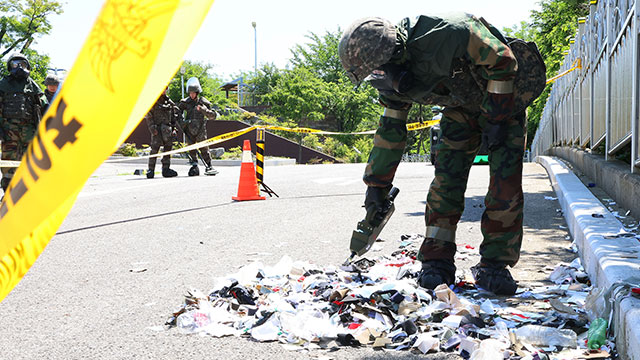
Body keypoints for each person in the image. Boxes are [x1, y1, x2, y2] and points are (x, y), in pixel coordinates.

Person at [339, 14, 544, 295]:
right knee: (446, 181)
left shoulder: (448, 33)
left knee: (504, 184)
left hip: (503, 97)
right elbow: (390, 131)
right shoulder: (388, 77)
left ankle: (495, 265)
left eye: (378, 70)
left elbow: (503, 60)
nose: (379, 78)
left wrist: (497, 119)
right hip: (459, 108)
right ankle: (437, 261)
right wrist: (377, 186)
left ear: (394, 54)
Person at [0, 53, 48, 193]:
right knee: (8, 164)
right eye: (15, 64)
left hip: (29, 132)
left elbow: (45, 106)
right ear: (10, 66)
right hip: (9, 133)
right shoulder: (3, 84)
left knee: (29, 163)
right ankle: (8, 194)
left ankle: (27, 193)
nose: (19, 68)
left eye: (23, 64)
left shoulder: (31, 85)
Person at [177, 77, 219, 176]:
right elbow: (177, 112)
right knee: (191, 148)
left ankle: (209, 166)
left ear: (197, 92)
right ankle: (194, 166)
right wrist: (182, 123)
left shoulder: (203, 102)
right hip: (189, 128)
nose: (191, 95)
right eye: (190, 93)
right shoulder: (185, 102)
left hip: (201, 129)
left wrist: (204, 110)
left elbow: (213, 116)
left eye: (193, 93)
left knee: (204, 148)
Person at [144, 87, 179, 178]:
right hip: (157, 130)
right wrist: (152, 128)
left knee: (168, 150)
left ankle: (166, 169)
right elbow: (149, 116)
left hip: (168, 131)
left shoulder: (169, 103)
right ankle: (151, 170)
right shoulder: (153, 102)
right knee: (154, 150)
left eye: (165, 89)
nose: (163, 91)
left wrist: (174, 129)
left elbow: (173, 118)